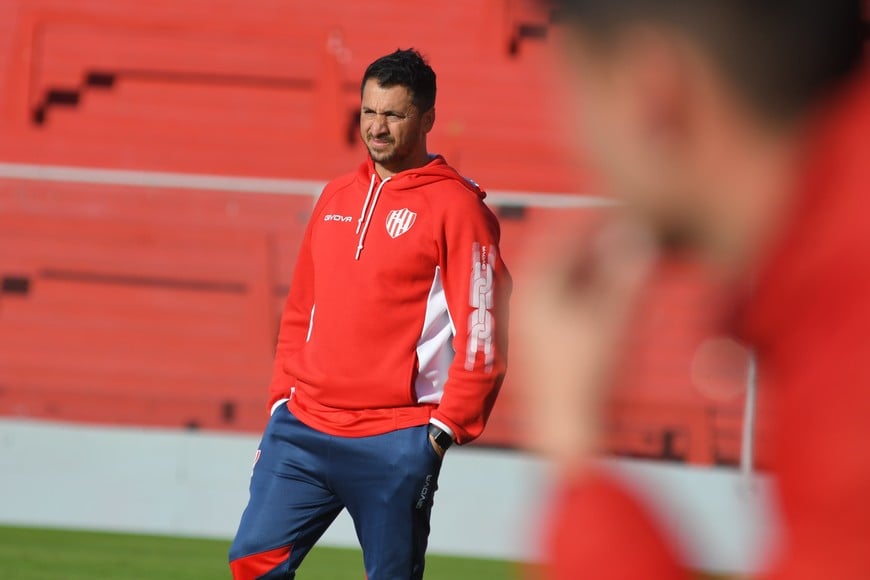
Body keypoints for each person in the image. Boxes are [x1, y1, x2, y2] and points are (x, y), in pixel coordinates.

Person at [521, 1, 869, 578]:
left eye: (579, 95)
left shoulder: (851, 361)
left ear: (652, 94)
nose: (577, 141)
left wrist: (571, 446)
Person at [229, 49, 510, 580]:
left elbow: (484, 325)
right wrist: (281, 400)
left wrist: (445, 429)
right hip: (303, 429)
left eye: (394, 115)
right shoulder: (335, 194)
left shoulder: (458, 208)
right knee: (251, 563)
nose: (377, 128)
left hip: (395, 439)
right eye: (368, 112)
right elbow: (300, 309)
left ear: (426, 120)